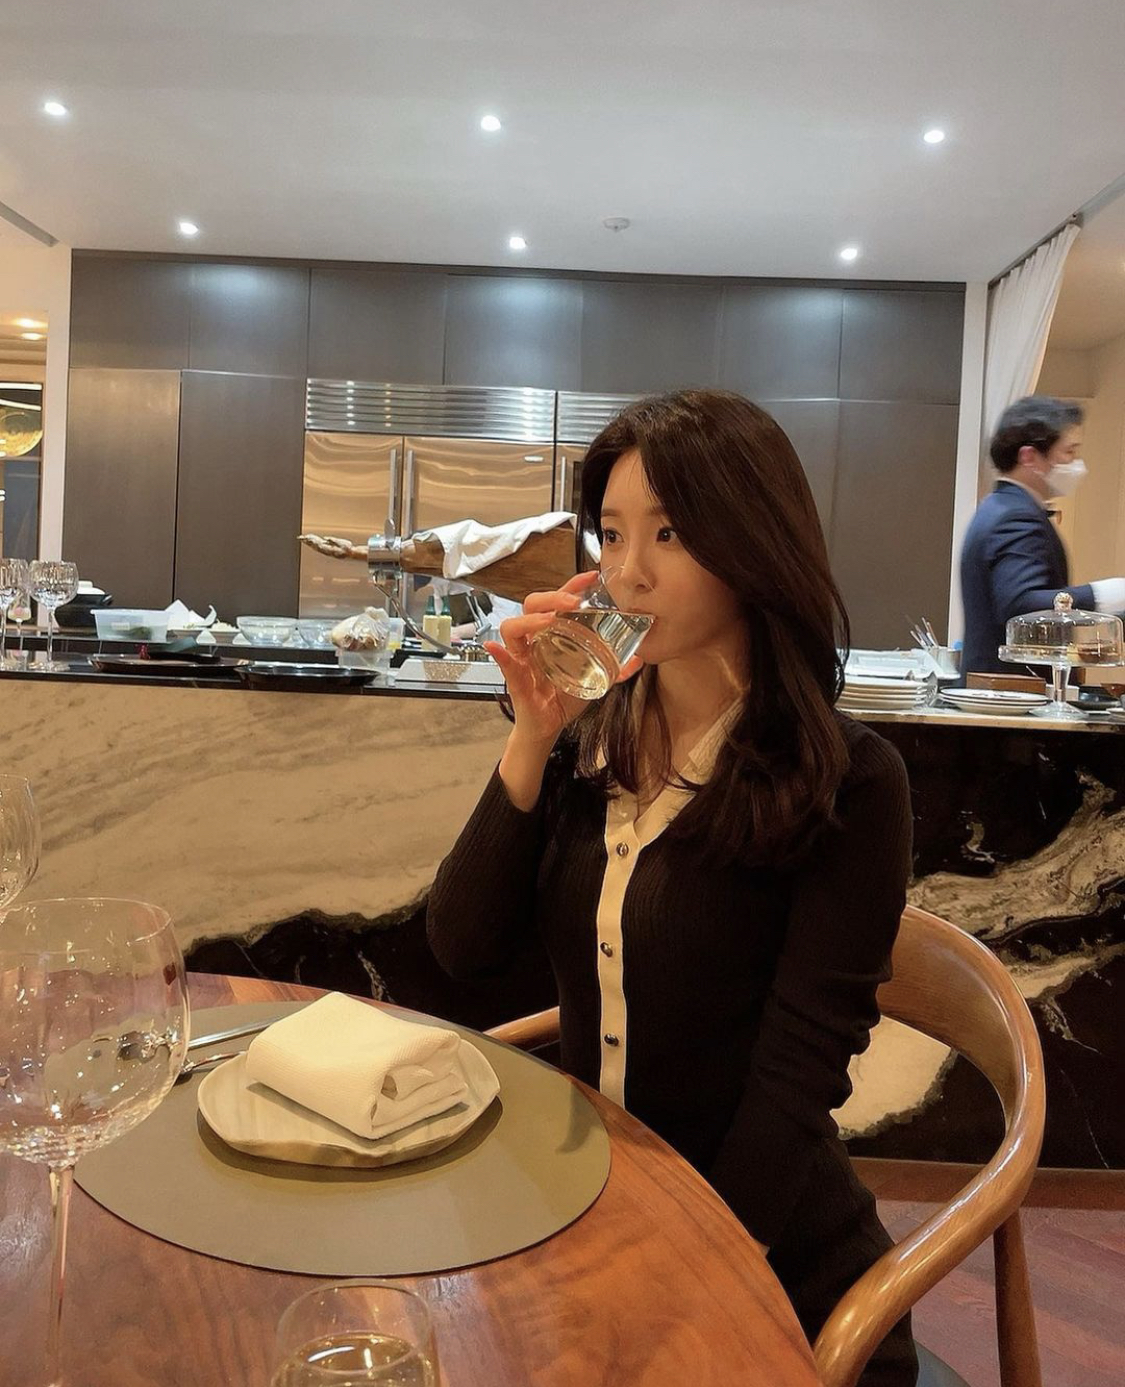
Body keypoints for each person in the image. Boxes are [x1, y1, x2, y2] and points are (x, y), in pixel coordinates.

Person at [427, 390, 917, 1386]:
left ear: (753, 546)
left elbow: (794, 1083)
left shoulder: (849, 784)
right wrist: (531, 734)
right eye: (610, 534)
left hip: (767, 1264)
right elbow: (461, 949)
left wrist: (678, 1273)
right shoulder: (589, 746)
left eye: (670, 533)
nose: (628, 572)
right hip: (585, 1212)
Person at [959, 395, 1125, 678]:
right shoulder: (1015, 516)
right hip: (1012, 692)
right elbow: (1020, 604)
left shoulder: (1000, 506)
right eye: (1069, 452)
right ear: (1029, 457)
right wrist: (1105, 595)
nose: (1076, 464)